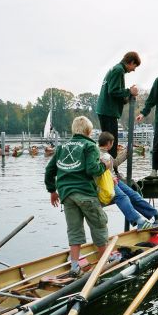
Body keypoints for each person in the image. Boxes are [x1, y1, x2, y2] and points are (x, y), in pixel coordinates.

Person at [45, 116, 111, 277]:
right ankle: (105, 263)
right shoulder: (90, 146)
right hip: (85, 193)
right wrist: (105, 165)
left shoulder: (62, 148)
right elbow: (92, 170)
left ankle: (75, 266)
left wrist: (52, 191)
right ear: (89, 131)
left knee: (74, 230)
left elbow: (49, 171)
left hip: (67, 196)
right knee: (99, 225)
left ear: (74, 129)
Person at [98, 132, 158, 232]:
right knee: (123, 197)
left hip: (115, 180)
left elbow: (114, 163)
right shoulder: (101, 155)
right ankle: (140, 221)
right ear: (109, 143)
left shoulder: (105, 154)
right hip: (108, 183)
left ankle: (156, 214)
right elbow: (106, 168)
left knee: (133, 194)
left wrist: (127, 151)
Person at [96, 52, 141, 175]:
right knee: (110, 142)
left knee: (109, 141)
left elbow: (115, 93)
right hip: (108, 111)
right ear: (131, 62)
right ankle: (112, 172)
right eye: (134, 66)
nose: (134, 70)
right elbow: (113, 91)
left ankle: (111, 170)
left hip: (106, 110)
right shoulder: (119, 70)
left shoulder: (115, 69)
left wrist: (127, 97)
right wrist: (129, 91)